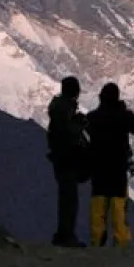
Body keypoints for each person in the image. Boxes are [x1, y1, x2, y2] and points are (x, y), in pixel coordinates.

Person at [85, 82, 134, 247]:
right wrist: (124, 110)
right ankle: (121, 242)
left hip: (98, 169)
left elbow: (85, 130)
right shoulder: (123, 116)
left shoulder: (93, 117)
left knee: (98, 207)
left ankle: (96, 241)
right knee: (118, 208)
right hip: (118, 170)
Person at [46, 75, 89, 247]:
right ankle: (66, 236)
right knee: (69, 200)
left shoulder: (59, 108)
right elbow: (67, 133)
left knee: (66, 198)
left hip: (61, 158)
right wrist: (79, 124)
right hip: (67, 159)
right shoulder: (64, 111)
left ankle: (64, 234)